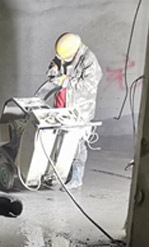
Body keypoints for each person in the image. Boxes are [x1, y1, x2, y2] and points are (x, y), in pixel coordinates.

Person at [47, 33, 103, 189]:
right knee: (58, 141)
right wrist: (53, 69)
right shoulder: (64, 54)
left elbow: (88, 85)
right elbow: (55, 63)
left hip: (78, 110)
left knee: (77, 144)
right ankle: (57, 174)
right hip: (61, 107)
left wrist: (65, 81)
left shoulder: (89, 60)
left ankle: (77, 178)